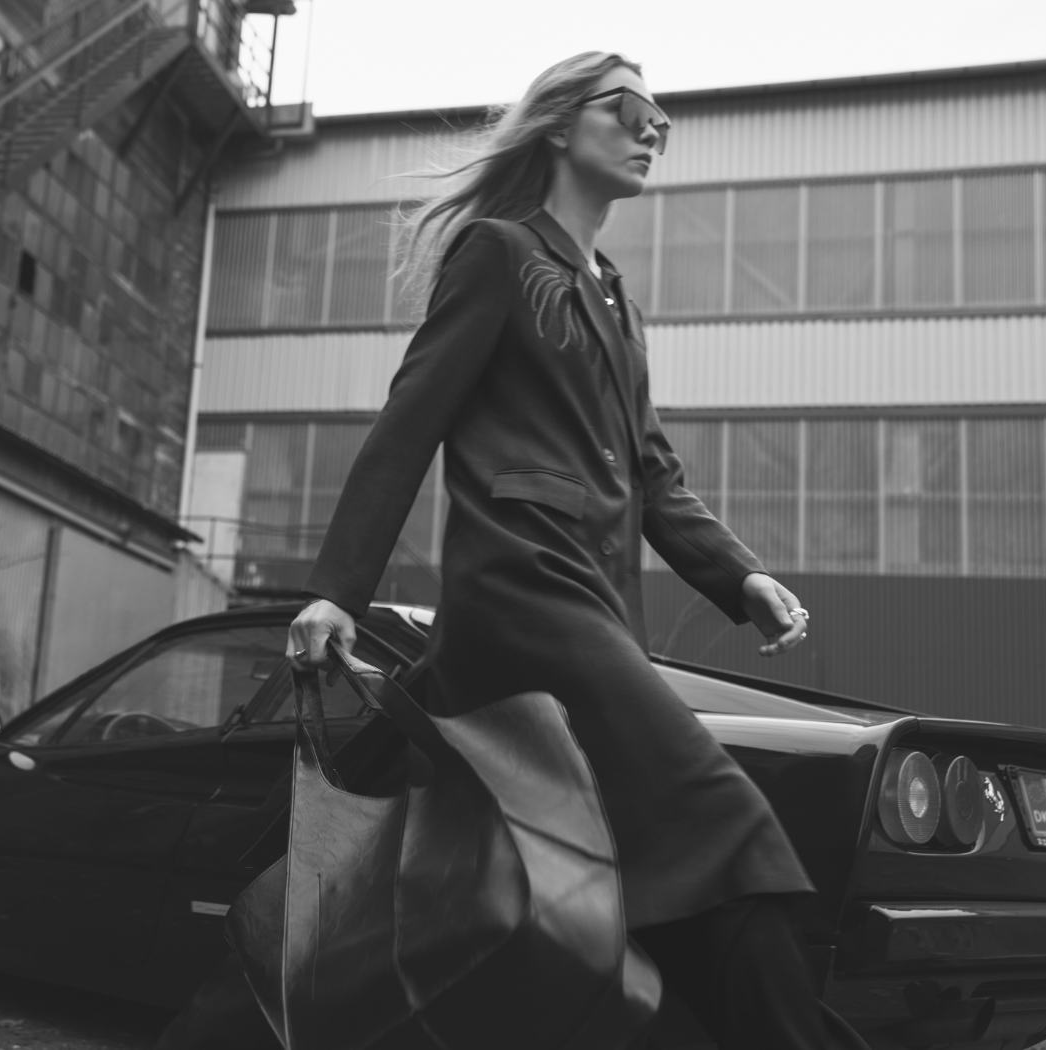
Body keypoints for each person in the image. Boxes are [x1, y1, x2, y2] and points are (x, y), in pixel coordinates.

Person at [160, 52, 849, 1050]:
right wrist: (338, 590)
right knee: (714, 818)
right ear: (562, 124)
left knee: (615, 875)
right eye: (632, 107)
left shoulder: (616, 298)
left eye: (664, 118)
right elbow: (412, 418)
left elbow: (654, 473)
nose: (654, 128)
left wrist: (741, 574)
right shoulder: (497, 253)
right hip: (521, 596)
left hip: (595, 617)